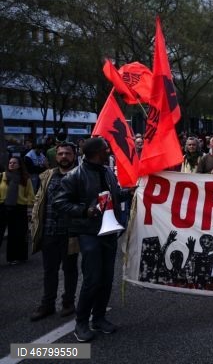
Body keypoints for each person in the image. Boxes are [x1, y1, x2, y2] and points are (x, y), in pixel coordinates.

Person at [53, 137, 135, 342]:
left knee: (107, 278)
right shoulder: (74, 176)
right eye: (106, 149)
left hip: (108, 233)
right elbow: (60, 203)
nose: (109, 151)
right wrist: (84, 211)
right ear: (97, 153)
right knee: (92, 279)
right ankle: (81, 322)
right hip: (89, 233)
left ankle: (98, 318)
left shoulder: (107, 171)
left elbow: (114, 196)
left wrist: (131, 193)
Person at [30, 142, 79, 321]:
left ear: (74, 156)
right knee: (49, 270)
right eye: (60, 154)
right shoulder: (47, 176)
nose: (63, 157)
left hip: (70, 234)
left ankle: (68, 302)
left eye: (67, 154)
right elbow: (39, 198)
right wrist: (34, 219)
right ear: (56, 156)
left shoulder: (80, 176)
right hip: (49, 232)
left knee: (70, 269)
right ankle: (47, 304)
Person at [0, 156, 36, 264]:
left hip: (19, 207)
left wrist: (29, 210)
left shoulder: (25, 178)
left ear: (19, 165)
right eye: (10, 162)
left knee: (18, 234)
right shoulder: (2, 176)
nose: (11, 164)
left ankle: (18, 257)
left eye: (14, 163)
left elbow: (30, 195)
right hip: (3, 207)